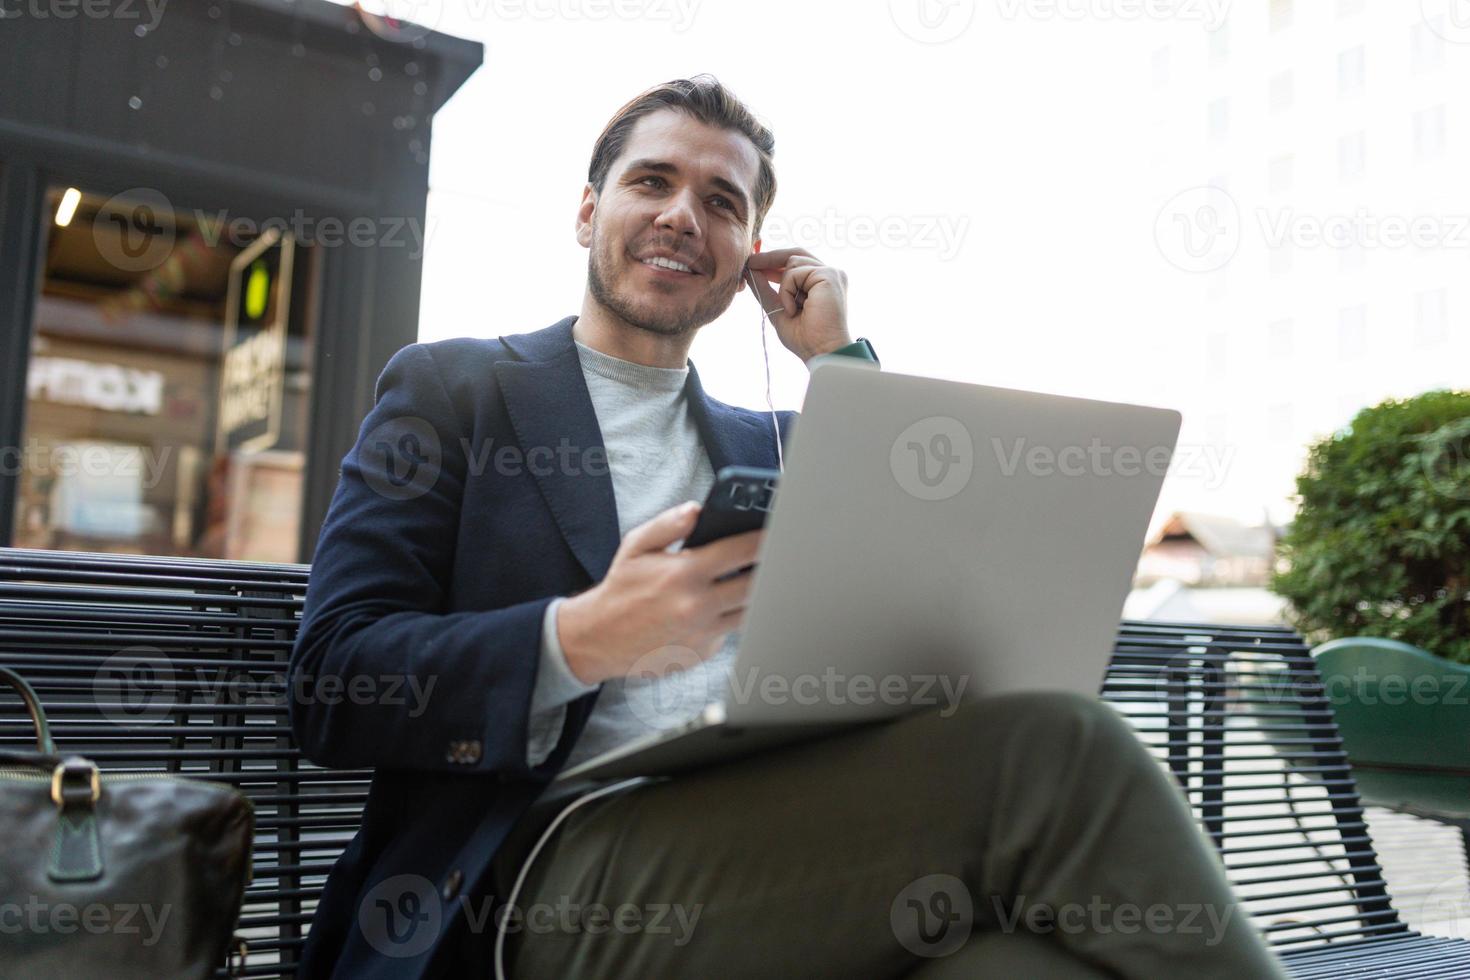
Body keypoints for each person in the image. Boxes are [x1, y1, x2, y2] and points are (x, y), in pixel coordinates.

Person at [288, 74, 1287, 979]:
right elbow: (334, 676)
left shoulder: (778, 440)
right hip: (545, 872)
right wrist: (579, 637)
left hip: (796, 835)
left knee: (1018, 967)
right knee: (1059, 749)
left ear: (749, 257)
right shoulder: (455, 390)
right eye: (652, 182)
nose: (683, 215)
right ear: (590, 209)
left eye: (723, 202)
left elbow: (919, 583)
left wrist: (838, 355)